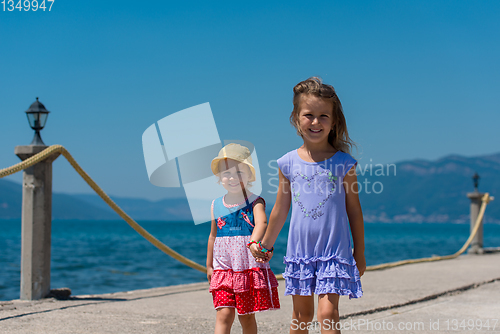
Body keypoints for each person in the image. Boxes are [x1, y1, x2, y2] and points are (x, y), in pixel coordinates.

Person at [254, 77, 365, 334]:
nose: (316, 122)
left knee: (328, 313)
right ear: (296, 117)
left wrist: (359, 252)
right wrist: (265, 244)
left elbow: (354, 211)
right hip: (300, 251)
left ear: (334, 120)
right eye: (309, 115)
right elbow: (280, 209)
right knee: (302, 316)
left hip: (334, 251)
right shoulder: (287, 163)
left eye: (324, 116)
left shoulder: (344, 163)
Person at [206, 143, 280, 334]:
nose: (232, 177)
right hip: (223, 268)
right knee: (224, 314)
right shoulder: (216, 205)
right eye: (227, 173)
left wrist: (253, 242)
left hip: (245, 268)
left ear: (249, 175)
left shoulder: (255, 202)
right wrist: (209, 265)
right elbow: (213, 236)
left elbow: (262, 223)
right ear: (220, 176)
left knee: (246, 316)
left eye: (239, 172)